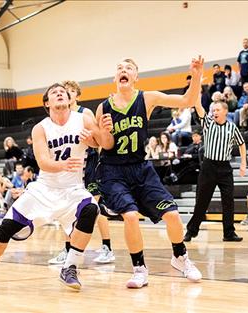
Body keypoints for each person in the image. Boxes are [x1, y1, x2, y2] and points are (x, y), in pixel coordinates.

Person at [0, 83, 114, 292]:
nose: (60, 93)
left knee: (91, 209)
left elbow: (106, 144)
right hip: (44, 189)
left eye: (63, 91)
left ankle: (70, 267)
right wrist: (63, 165)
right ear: (46, 103)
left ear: (70, 99)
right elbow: (43, 163)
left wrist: (105, 131)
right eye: (54, 92)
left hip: (73, 189)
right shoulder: (41, 128)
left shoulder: (84, 119)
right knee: (5, 228)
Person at [96, 57, 204, 288]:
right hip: (114, 171)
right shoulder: (103, 107)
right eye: (119, 68)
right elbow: (104, 145)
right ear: (115, 78)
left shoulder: (146, 98)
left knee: (172, 214)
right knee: (131, 216)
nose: (123, 71)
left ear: (136, 77)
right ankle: (139, 269)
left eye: (129, 69)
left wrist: (196, 76)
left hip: (141, 169)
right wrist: (104, 132)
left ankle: (180, 257)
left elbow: (188, 100)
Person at [47, 79, 116, 266]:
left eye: (70, 91)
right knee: (66, 208)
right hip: (72, 167)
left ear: (77, 95)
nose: (66, 94)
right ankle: (68, 249)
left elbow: (98, 138)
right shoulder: (59, 117)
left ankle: (107, 247)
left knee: (96, 206)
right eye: (64, 90)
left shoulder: (84, 113)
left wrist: (103, 163)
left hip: (91, 163)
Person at [185, 99, 247, 241]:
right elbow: (199, 106)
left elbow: (242, 144)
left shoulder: (232, 127)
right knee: (202, 200)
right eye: (213, 110)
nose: (214, 112)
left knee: (228, 201)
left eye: (217, 110)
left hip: (225, 168)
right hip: (208, 167)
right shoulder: (208, 123)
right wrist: (197, 87)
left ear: (225, 111)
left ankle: (229, 233)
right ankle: (191, 231)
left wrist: (243, 163)